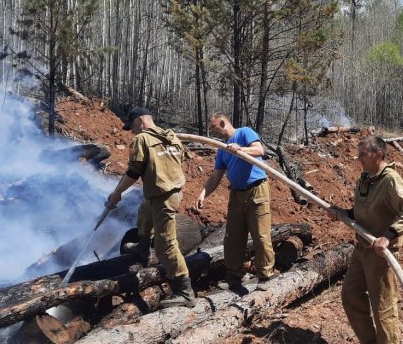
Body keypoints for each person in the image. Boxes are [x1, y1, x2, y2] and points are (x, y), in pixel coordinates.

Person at [329, 136, 403, 344]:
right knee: (350, 295)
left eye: (363, 154)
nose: (358, 158)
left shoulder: (390, 180)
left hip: (380, 255)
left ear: (379, 155)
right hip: (361, 249)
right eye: (358, 153)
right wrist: (344, 213)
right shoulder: (366, 179)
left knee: (383, 309)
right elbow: (365, 211)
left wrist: (387, 237)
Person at [106, 107, 195, 308]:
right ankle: (143, 248)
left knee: (166, 245)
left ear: (140, 121)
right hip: (169, 192)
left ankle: (184, 291)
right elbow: (179, 160)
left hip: (164, 196)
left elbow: (134, 172)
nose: (132, 131)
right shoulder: (171, 137)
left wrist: (117, 193)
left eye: (132, 126)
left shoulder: (142, 139)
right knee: (144, 212)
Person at [195, 113, 276, 292]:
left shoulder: (244, 133)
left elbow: (259, 150)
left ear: (223, 123)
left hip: (257, 191)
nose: (212, 133)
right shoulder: (222, 149)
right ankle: (234, 277)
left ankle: (265, 276)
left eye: (214, 128)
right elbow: (216, 175)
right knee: (233, 238)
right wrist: (203, 194)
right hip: (237, 195)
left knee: (261, 236)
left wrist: (240, 150)